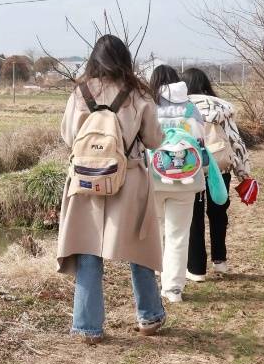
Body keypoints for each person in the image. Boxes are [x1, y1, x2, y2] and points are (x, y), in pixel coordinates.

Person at [58, 35, 166, 344]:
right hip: (129, 179)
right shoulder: (138, 95)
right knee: (139, 250)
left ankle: (88, 327)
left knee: (88, 251)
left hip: (86, 180)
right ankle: (149, 317)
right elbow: (154, 140)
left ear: (94, 59)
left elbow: (68, 136)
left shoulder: (79, 93)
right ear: (124, 60)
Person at [181, 67, 253, 280]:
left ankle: (196, 269)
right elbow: (235, 141)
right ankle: (220, 261)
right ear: (206, 84)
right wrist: (243, 172)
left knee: (193, 216)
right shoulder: (222, 107)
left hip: (190, 168)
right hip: (219, 166)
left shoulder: (180, 107)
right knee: (218, 213)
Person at [148, 64, 205, 304]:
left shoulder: (149, 105)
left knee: (155, 232)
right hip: (186, 179)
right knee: (178, 235)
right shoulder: (191, 108)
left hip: (153, 176)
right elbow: (200, 139)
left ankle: (155, 276)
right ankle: (172, 290)